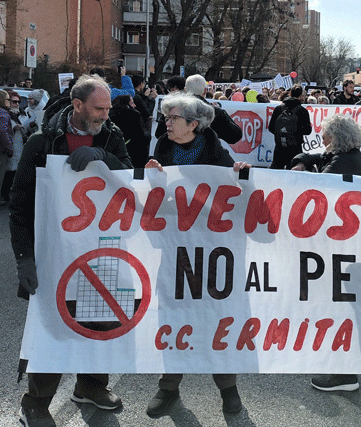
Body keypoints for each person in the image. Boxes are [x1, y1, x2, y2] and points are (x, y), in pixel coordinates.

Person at [10, 74, 132, 427]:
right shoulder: (42, 141)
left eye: (108, 108)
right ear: (77, 105)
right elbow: (19, 205)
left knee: (103, 321)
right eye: (99, 108)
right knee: (53, 325)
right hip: (54, 253)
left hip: (102, 248)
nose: (106, 115)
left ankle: (91, 386)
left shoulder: (112, 135)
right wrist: (24, 259)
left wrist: (104, 156)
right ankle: (35, 402)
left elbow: (129, 176)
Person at [144, 92, 249, 417]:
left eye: (172, 118)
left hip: (209, 252)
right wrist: (152, 175)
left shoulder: (216, 153)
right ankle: (168, 388)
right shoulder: (162, 146)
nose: (166, 122)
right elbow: (155, 197)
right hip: (175, 249)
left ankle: (228, 390)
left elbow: (236, 200)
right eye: (166, 117)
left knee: (215, 318)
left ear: (193, 123)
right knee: (174, 316)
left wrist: (241, 176)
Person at [290, 114, 361, 392]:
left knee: (339, 305)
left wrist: (305, 169)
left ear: (336, 137)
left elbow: (316, 189)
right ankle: (340, 366)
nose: (321, 139)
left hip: (340, 245)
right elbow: (310, 156)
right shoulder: (346, 156)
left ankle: (344, 374)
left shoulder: (343, 162)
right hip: (340, 243)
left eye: (325, 135)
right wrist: (302, 161)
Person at [268, 85, 312, 169]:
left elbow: (271, 128)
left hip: (279, 147)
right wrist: (295, 133)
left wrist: (281, 133)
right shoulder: (303, 111)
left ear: (290, 93)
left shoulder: (279, 109)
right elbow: (307, 131)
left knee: (276, 173)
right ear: (301, 96)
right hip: (295, 148)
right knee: (294, 174)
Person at [1, 90, 30, 204]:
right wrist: (13, 129)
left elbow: (27, 128)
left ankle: (9, 193)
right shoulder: (5, 114)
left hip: (19, 144)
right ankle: (4, 194)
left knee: (15, 170)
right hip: (8, 145)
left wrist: (28, 126)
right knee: (7, 171)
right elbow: (3, 131)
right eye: (13, 101)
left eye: (18, 102)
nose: (16, 104)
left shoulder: (23, 114)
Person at [110, 95, 151, 168]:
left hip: (115, 155)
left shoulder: (109, 116)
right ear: (126, 104)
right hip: (135, 153)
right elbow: (141, 137)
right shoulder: (134, 115)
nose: (134, 105)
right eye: (132, 103)